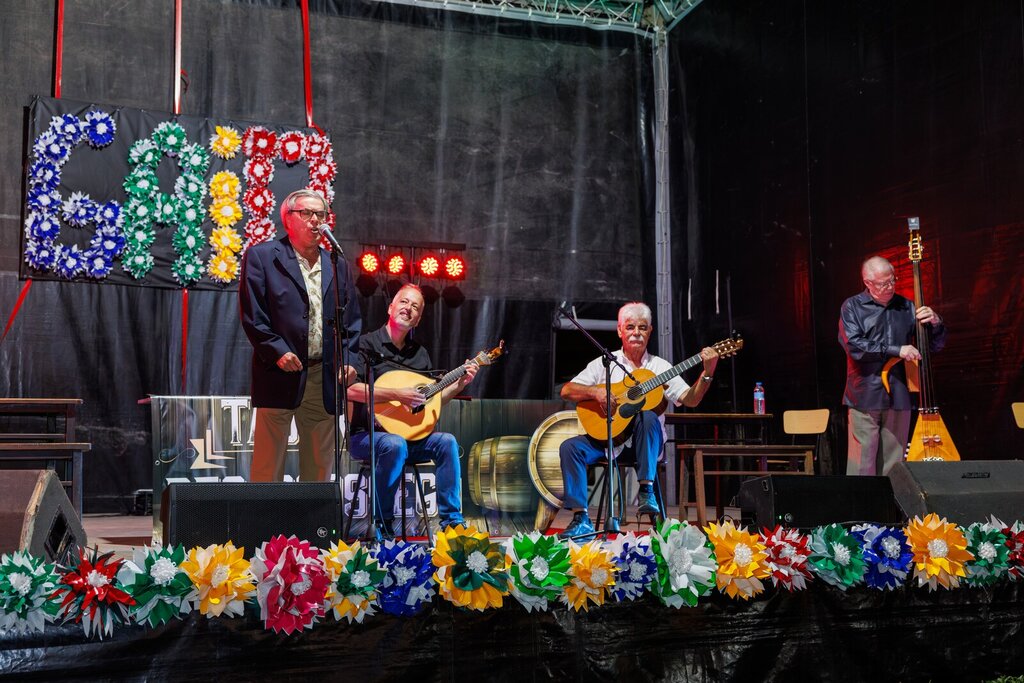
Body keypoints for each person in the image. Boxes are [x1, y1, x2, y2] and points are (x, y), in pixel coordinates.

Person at [558, 302, 719, 538]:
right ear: (620, 331)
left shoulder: (660, 367)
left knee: (647, 416)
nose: (636, 333)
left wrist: (707, 372)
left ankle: (646, 490)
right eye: (630, 327)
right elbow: (567, 390)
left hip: (646, 448)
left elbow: (690, 399)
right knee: (570, 447)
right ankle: (580, 518)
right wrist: (595, 392)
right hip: (608, 443)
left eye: (642, 327)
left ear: (650, 331)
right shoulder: (605, 362)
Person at [239, 188, 360, 483]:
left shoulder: (336, 263)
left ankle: (313, 516)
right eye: (306, 213)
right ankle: (263, 516)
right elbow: (254, 315)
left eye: (321, 214)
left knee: (319, 469)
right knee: (268, 467)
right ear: (287, 219)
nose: (315, 220)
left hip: (323, 375)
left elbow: (351, 320)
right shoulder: (263, 257)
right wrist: (277, 350)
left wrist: (350, 360)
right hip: (280, 372)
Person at [346, 284, 477, 537]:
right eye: (404, 302)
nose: (408, 308)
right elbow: (351, 390)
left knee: (446, 441)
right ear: (390, 307)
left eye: (415, 306)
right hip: (366, 437)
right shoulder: (365, 345)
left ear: (417, 319)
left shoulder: (420, 355)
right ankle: (382, 524)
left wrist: (459, 384)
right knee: (394, 444)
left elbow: (430, 400)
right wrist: (396, 394)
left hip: (409, 439)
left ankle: (452, 523)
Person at [839, 255, 946, 476]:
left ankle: (891, 500)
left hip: (899, 393)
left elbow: (931, 347)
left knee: (894, 464)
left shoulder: (906, 306)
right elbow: (855, 346)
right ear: (868, 282)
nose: (889, 287)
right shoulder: (852, 307)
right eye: (883, 283)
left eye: (892, 280)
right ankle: (862, 501)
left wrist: (935, 323)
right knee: (862, 465)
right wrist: (897, 350)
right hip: (865, 394)